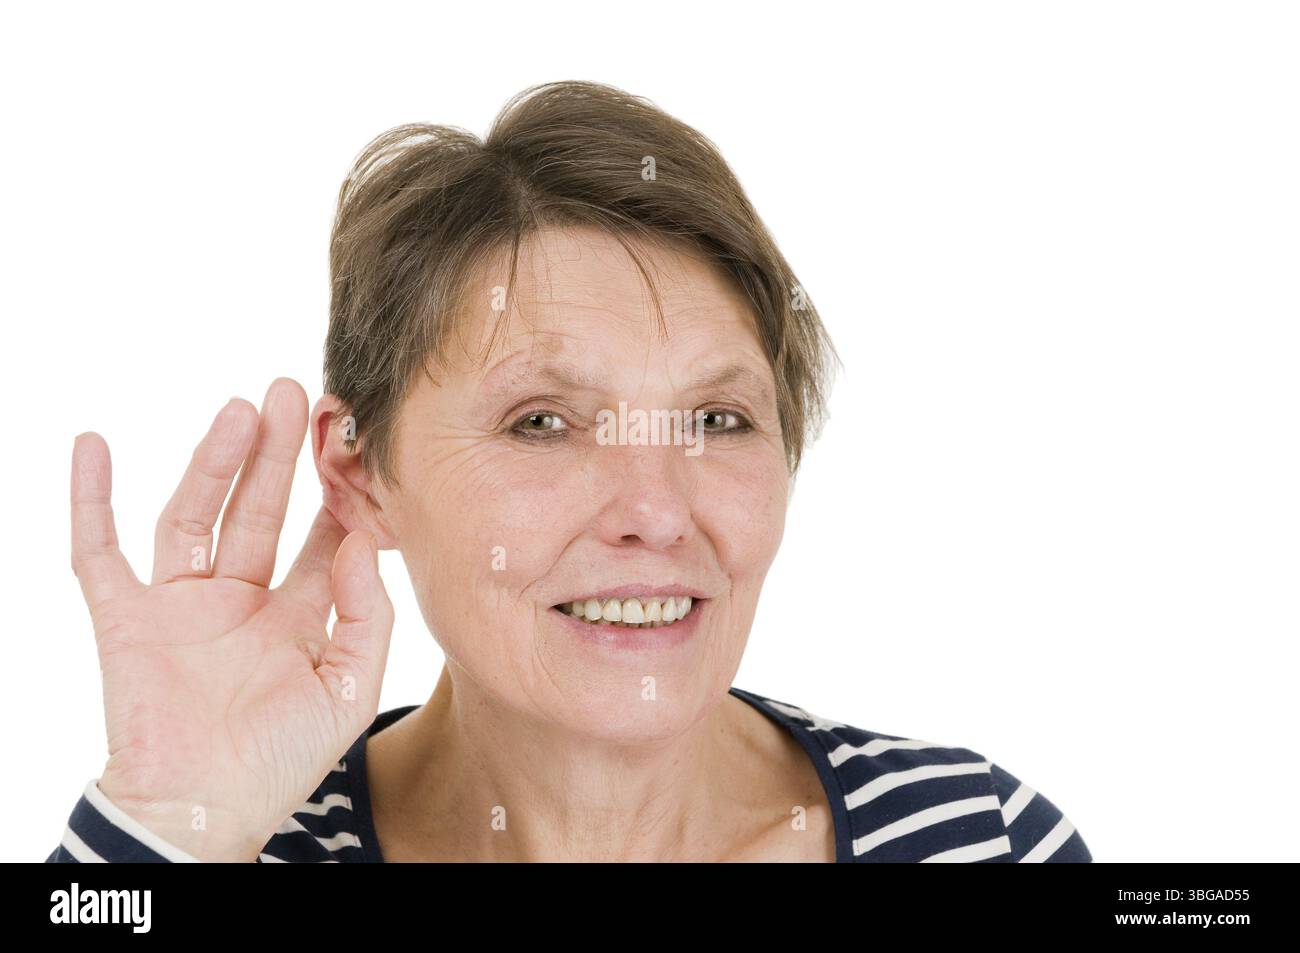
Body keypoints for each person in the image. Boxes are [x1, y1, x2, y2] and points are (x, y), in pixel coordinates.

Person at [47, 80, 1091, 863]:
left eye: (718, 418)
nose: (653, 512)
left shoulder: (979, 834)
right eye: (541, 420)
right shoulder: (225, 846)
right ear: (362, 476)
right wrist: (157, 818)